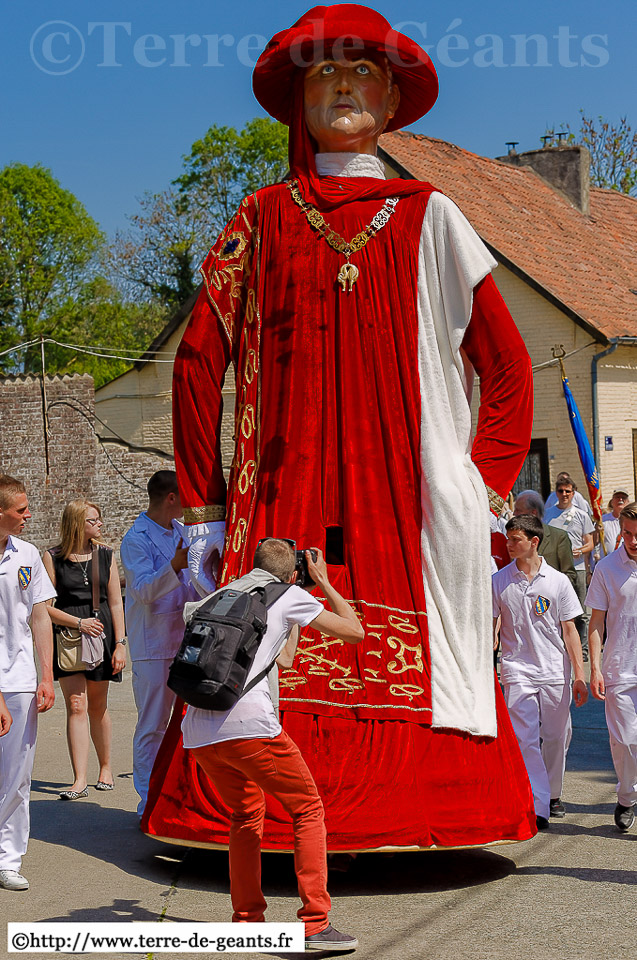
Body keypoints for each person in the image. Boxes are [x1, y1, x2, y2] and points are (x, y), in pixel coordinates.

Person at [144, 4, 536, 851]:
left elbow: (504, 365)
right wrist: (208, 501)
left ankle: (418, 810)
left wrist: (481, 483)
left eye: (362, 72)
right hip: (284, 490)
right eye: (324, 73)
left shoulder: (431, 215)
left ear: (392, 99)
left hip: (407, 494)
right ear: (298, 100)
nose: (345, 85)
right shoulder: (261, 219)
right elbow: (195, 360)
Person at [184, 538, 363, 949]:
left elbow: (281, 659)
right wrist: (323, 582)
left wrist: (292, 620)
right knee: (308, 809)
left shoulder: (225, 592)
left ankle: (247, 920)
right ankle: (315, 923)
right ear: (293, 573)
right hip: (249, 725)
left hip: (198, 729)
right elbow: (354, 631)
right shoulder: (291, 592)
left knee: (246, 813)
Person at [493, 515, 588, 829]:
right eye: (508, 539)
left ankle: (553, 792)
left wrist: (578, 674)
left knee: (556, 736)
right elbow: (490, 625)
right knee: (525, 739)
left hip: (553, 670)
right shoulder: (499, 580)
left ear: (534, 542)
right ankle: (539, 804)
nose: (509, 545)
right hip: (517, 669)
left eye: (515, 539)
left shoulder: (557, 581)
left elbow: (570, 630)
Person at [120, 471, 198, 816]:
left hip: (184, 637)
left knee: (188, 721)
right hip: (152, 644)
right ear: (171, 498)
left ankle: (178, 794)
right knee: (153, 724)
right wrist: (175, 565)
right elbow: (141, 590)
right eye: (185, 496)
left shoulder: (182, 532)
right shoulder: (136, 539)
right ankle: (147, 799)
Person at [43, 500, 126, 799]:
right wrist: (79, 622)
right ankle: (79, 779)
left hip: (102, 634)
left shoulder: (105, 555)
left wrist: (120, 644)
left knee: (98, 705)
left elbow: (116, 602)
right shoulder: (52, 557)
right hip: (70, 635)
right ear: (78, 523)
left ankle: (105, 767)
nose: (100, 524)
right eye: (94, 520)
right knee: (76, 705)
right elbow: (44, 608)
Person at [0, 475, 55, 891]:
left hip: (19, 678)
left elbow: (39, 616)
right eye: (20, 510)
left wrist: (47, 674)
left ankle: (8, 858)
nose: (28, 515)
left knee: (17, 775)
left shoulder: (28, 554)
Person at [586, 501, 637, 832]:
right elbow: (595, 622)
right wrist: (595, 668)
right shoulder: (606, 568)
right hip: (620, 668)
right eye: (628, 533)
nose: (633, 541)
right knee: (627, 741)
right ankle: (626, 796)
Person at [545, 477, 594, 661]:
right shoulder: (548, 514)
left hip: (577, 568)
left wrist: (578, 551)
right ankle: (559, 647)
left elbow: (589, 543)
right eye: (561, 491)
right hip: (555, 569)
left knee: (580, 612)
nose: (564, 494)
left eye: (568, 491)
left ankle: (582, 650)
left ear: (574, 493)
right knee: (556, 611)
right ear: (556, 493)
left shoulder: (581, 515)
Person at [513, 489, 577, 588]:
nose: (514, 514)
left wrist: (551, 591)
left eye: (518, 510)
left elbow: (569, 575)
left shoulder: (558, 537)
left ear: (533, 513)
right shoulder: (513, 540)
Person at [602, 488, 630, 553]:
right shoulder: (603, 520)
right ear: (612, 502)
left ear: (628, 502)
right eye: (617, 497)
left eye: (623, 498)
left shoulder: (633, 520)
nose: (620, 499)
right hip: (608, 561)